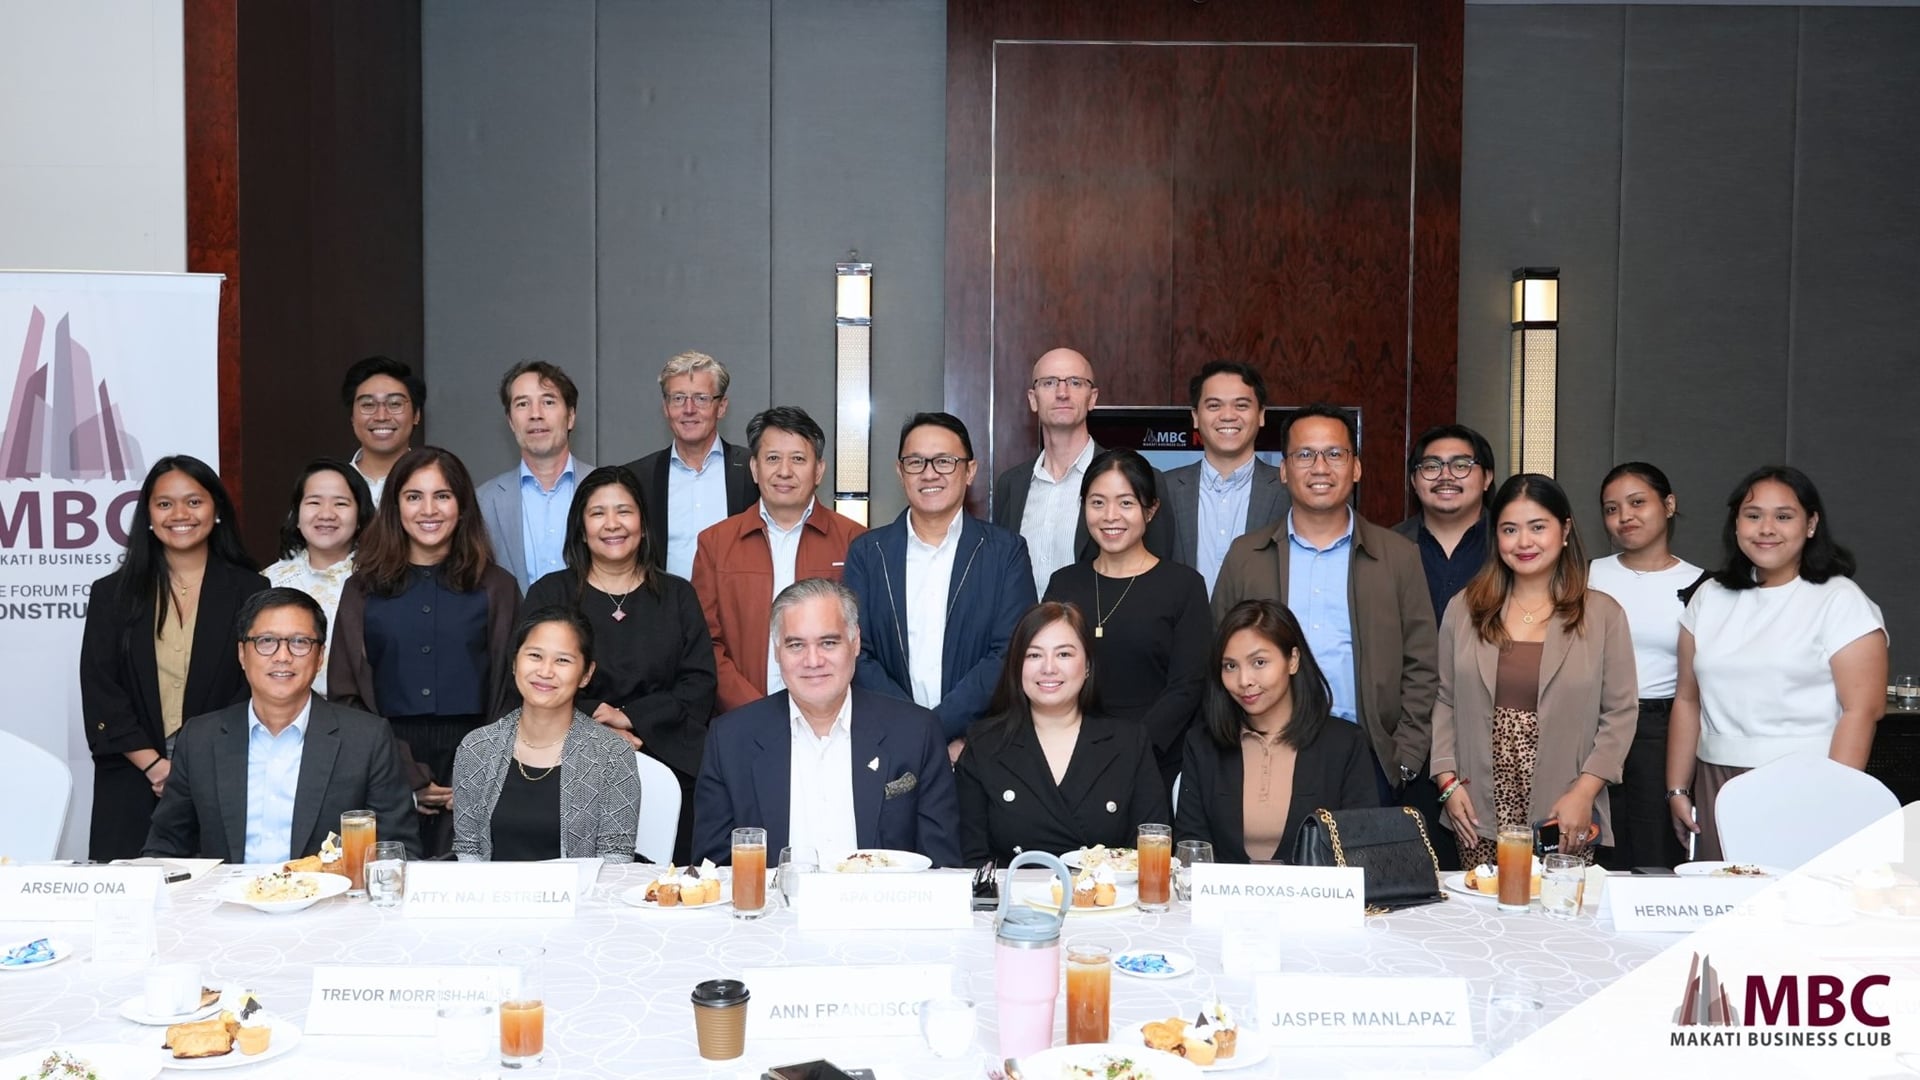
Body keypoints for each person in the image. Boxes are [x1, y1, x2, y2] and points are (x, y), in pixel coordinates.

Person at [1211, 404, 1442, 841]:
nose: (1320, 467)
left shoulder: (1398, 556)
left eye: (1335, 454)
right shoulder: (1247, 555)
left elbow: (1422, 663)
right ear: (1282, 470)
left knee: (1360, 891)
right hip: (1265, 750)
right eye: (1304, 455)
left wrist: (1405, 756)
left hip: (1367, 753)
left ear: (1356, 468)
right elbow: (1217, 653)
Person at [1666, 466, 1887, 862]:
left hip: (1809, 782)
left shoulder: (1841, 599)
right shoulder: (1709, 597)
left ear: (1811, 524)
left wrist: (1835, 798)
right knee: (1722, 910)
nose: (1766, 528)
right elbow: (1687, 700)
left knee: (1797, 910)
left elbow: (1861, 711)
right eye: (1753, 516)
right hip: (1716, 783)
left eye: (1783, 516)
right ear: (1736, 524)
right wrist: (1678, 789)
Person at [1431, 474, 1638, 867]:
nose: (1523, 542)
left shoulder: (1603, 614)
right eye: (1510, 529)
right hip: (1477, 805)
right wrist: (1446, 781)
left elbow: (1620, 715)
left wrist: (1584, 793)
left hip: (1565, 804)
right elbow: (1446, 699)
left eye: (1537, 527)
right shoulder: (1464, 608)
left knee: (1559, 916)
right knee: (1483, 914)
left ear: (1565, 530)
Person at [329, 447, 521, 854]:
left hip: (479, 756)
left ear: (462, 505)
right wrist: (403, 771)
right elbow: (346, 692)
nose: (428, 510)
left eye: (443, 496)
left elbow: (513, 689)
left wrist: (473, 769)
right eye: (414, 496)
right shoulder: (362, 589)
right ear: (394, 506)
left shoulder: (498, 587)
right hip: (383, 758)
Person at [692, 579, 961, 867]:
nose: (813, 660)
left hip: (882, 909)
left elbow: (941, 868)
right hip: (774, 909)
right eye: (796, 645)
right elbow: (713, 871)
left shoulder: (915, 733)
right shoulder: (731, 739)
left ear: (855, 642)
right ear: (776, 651)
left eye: (828, 643)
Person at [523, 465, 716, 863]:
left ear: (643, 524)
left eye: (624, 511)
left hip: (667, 754)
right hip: (565, 759)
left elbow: (699, 685)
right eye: (597, 513)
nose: (612, 524)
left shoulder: (678, 595)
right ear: (580, 527)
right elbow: (529, 682)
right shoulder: (550, 594)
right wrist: (596, 725)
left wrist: (630, 718)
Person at [79, 456, 269, 861]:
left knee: (217, 900)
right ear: (147, 514)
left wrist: (191, 762)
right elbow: (100, 687)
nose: (179, 514)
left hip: (220, 767)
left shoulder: (251, 589)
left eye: (193, 502)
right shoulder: (111, 593)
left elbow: (253, 682)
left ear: (216, 510)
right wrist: (154, 766)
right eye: (165, 504)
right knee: (130, 900)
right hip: (133, 772)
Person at [144, 588, 422, 861]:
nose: (282, 656)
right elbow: (166, 847)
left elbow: (397, 851)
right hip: (227, 903)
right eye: (266, 641)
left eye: (300, 642)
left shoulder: (366, 739)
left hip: (330, 903)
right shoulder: (199, 739)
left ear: (320, 657)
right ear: (242, 654)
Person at [844, 412, 1036, 759]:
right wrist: (916, 730)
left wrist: (937, 728)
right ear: (900, 471)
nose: (929, 473)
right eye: (916, 462)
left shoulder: (1006, 552)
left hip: (979, 748)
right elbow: (857, 652)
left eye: (945, 461)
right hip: (888, 746)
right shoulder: (868, 553)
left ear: (970, 471)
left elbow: (1009, 652)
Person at [1042, 450, 1209, 792]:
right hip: (1068, 756)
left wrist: (1130, 748)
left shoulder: (1184, 585)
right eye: (1098, 502)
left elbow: (1188, 686)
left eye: (1126, 503)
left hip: (1154, 761)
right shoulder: (1064, 583)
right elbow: (1046, 670)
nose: (1110, 516)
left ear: (1151, 509)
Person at [954, 602, 1168, 867]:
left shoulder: (1129, 742)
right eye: (1034, 655)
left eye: (1064, 654)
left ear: (1088, 664)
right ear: (1016, 666)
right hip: (1013, 903)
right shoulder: (984, 744)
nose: (1049, 668)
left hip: (1107, 903)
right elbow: (970, 858)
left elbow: (1150, 849)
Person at [1174, 601, 1378, 862]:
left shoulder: (1345, 744)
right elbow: (1191, 847)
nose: (1244, 680)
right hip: (1222, 901)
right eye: (1230, 666)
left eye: (1259, 662)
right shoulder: (1203, 744)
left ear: (1292, 660)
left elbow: (1360, 849)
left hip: (1315, 901)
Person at [693, 406, 865, 713]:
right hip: (742, 717)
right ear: (755, 468)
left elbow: (860, 639)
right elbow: (705, 643)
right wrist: (752, 709)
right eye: (772, 458)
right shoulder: (715, 543)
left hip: (833, 716)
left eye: (798, 459)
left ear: (819, 470)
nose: (784, 471)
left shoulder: (855, 541)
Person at [451, 608, 641, 861]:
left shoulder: (611, 754)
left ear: (586, 674)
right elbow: (468, 849)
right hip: (492, 898)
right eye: (535, 656)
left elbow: (615, 857)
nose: (545, 671)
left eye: (562, 660)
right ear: (515, 662)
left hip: (580, 899)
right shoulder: (477, 747)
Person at [1587, 462, 1703, 870]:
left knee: (1656, 848)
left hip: (1662, 727)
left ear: (1668, 505)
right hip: (1593, 723)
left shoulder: (1702, 585)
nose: (1624, 517)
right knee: (1596, 843)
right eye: (1611, 509)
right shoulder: (1590, 575)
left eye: (1638, 503)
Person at [991, 346, 1174, 595]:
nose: (1062, 393)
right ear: (1033, 399)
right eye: (1049, 383)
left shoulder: (1141, 479)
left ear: (1093, 398)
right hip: (1024, 631)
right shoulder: (1011, 484)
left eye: (1076, 383)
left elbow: (1160, 576)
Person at [622, 351, 758, 579]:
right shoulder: (637, 478)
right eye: (678, 398)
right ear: (665, 407)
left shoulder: (752, 470)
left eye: (701, 398)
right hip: (663, 610)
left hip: (733, 611)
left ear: (722, 407)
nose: (689, 409)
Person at [1162, 361, 1289, 596]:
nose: (1228, 416)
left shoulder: (1288, 489)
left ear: (1261, 415)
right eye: (1214, 405)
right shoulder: (1163, 489)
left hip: (1262, 629)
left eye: (1241, 405)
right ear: (1196, 416)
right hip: (1183, 630)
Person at [263, 458, 374, 695]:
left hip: (362, 719)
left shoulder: (381, 579)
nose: (326, 514)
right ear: (297, 512)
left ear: (360, 515)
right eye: (314, 502)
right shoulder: (269, 581)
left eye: (341, 504)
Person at [478, 361, 591, 593]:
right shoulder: (483, 500)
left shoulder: (604, 488)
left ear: (570, 416)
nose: (535, 414)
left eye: (548, 402)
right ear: (510, 421)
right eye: (522, 404)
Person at [1393, 424, 1497, 624]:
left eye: (1461, 465)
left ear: (1487, 478)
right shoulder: (1387, 547)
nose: (1446, 476)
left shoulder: (1512, 544)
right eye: (1432, 466)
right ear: (1414, 481)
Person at [339, 355, 423, 505]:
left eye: (395, 404)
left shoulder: (438, 484)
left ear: (416, 415)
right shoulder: (329, 485)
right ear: (352, 417)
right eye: (368, 405)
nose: (381, 416)